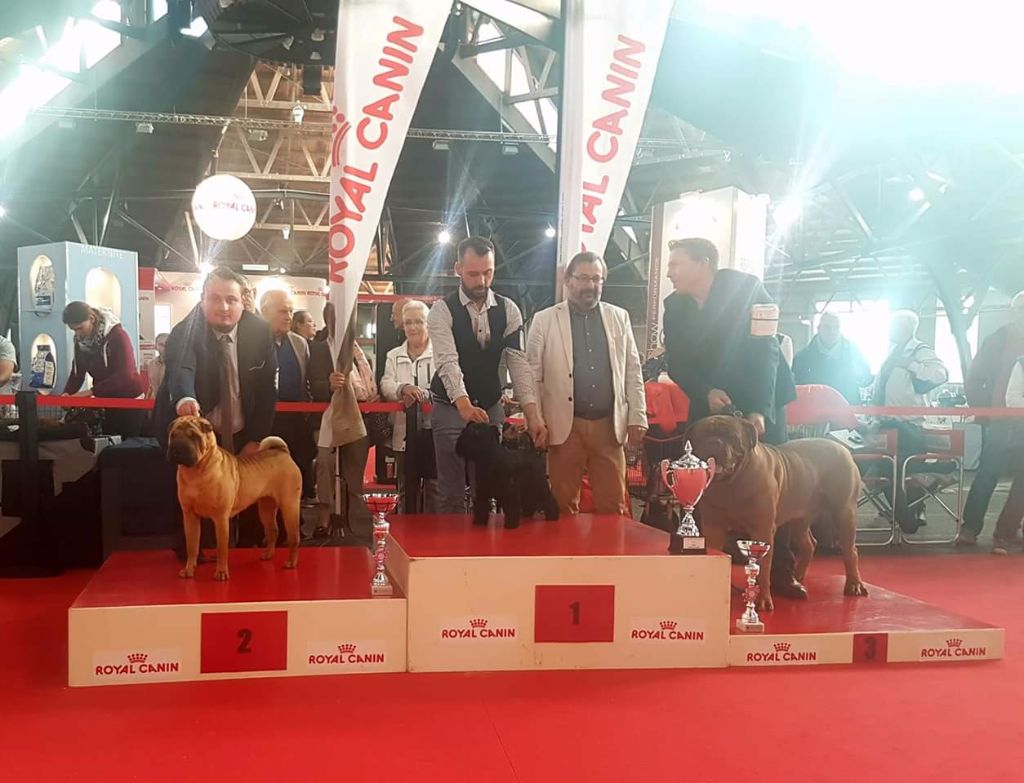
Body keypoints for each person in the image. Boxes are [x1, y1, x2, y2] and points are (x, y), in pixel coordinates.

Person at [661, 237, 802, 596]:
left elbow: (767, 352)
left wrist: (758, 409)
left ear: (703, 263)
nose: (669, 272)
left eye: (676, 264)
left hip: (762, 396)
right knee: (705, 481)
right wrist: (705, 391)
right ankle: (712, 570)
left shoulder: (750, 289)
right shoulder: (674, 306)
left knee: (776, 489)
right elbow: (677, 363)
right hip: (708, 402)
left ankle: (781, 572)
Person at [154, 266, 278, 550]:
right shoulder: (185, 330)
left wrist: (256, 438)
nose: (223, 307)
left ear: (243, 301)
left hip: (243, 428)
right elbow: (181, 368)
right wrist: (185, 398)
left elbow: (267, 390)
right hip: (197, 434)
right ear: (202, 299)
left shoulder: (260, 331)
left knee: (248, 501)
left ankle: (247, 555)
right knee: (197, 504)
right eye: (214, 299)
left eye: (231, 299)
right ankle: (196, 558)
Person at [428, 236, 543, 514]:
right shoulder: (441, 311)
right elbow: (447, 361)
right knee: (451, 492)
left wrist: (532, 414)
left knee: (492, 486)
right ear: (458, 269)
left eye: (487, 272)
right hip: (449, 407)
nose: (481, 281)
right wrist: (463, 404)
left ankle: (487, 541)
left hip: (491, 405)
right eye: (473, 274)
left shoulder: (509, 309)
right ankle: (452, 542)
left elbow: (518, 363)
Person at [526, 251, 647, 515]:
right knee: (561, 507)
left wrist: (638, 416)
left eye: (596, 279)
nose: (590, 285)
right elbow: (531, 374)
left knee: (614, 507)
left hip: (609, 427)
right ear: (568, 280)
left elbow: (632, 370)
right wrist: (536, 419)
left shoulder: (620, 317)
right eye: (583, 278)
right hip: (564, 428)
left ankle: (611, 545)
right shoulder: (544, 320)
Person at [870, 310, 949, 533]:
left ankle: (905, 516)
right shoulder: (892, 351)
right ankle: (906, 511)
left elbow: (940, 374)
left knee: (890, 469)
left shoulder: (920, 351)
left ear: (905, 327)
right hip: (885, 423)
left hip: (907, 426)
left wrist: (912, 365)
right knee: (884, 469)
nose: (888, 330)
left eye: (893, 325)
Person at [958, 292, 1024, 546]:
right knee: (987, 474)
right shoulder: (998, 339)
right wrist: (987, 410)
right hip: (1000, 421)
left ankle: (1007, 530)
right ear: (1013, 311)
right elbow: (975, 378)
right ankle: (970, 528)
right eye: (1021, 309)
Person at [308, 302, 375, 539]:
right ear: (328, 319)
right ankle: (324, 516)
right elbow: (312, 386)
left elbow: (370, 386)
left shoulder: (359, 353)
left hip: (357, 417)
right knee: (325, 463)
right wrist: (328, 385)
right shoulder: (316, 349)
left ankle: (352, 517)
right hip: (326, 418)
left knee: (354, 470)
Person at [380, 300, 435, 509]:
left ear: (428, 323)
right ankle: (405, 526)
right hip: (402, 432)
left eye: (419, 321)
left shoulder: (440, 353)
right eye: (408, 322)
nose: (413, 327)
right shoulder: (393, 355)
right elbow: (386, 384)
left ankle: (434, 527)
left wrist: (421, 394)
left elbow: (448, 386)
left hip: (433, 431)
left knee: (434, 487)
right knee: (404, 486)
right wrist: (403, 388)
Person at [61, 301, 146, 437]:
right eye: (73, 330)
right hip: (105, 401)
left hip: (130, 400)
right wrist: (67, 393)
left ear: (92, 319)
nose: (78, 334)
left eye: (80, 328)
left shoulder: (118, 336)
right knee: (108, 441)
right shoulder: (79, 342)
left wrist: (90, 392)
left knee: (129, 443)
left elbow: (125, 375)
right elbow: (77, 372)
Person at [260, 289, 314, 501]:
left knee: (295, 474)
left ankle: (293, 517)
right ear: (265, 311)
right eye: (282, 311)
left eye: (291, 311)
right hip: (262, 421)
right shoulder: (250, 341)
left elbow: (306, 380)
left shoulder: (300, 343)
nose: (288, 317)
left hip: (295, 421)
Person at [792, 312, 872, 404]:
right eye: (827, 327)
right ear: (818, 328)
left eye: (836, 327)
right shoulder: (802, 357)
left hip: (847, 408)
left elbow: (867, 379)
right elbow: (798, 389)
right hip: (815, 409)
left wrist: (860, 376)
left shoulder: (854, 353)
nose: (832, 331)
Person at [992, 357, 1024, 554]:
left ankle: (1007, 531)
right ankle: (1005, 532)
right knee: (1022, 487)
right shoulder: (1021, 364)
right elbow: (1012, 400)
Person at [145, 333, 169, 400]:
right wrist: (146, 402)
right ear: (156, 346)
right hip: (156, 401)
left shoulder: (176, 364)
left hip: (171, 402)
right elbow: (151, 386)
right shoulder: (151, 364)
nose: (165, 347)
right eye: (161, 344)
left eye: (167, 344)